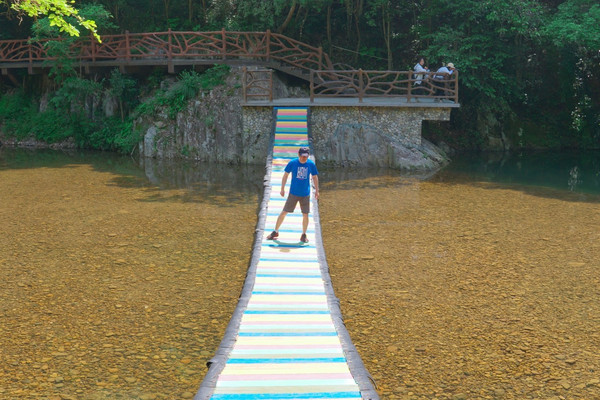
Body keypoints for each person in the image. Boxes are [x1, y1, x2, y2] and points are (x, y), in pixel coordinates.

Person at [266, 146, 319, 243]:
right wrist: (282, 188)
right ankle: (275, 231)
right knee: (284, 212)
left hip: (305, 194)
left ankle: (303, 234)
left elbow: (315, 177)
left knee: (305, 214)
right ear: (299, 155)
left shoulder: (310, 164)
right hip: (293, 193)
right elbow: (285, 175)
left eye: (306, 156)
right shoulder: (293, 163)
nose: (304, 158)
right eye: (302, 156)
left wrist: (317, 191)